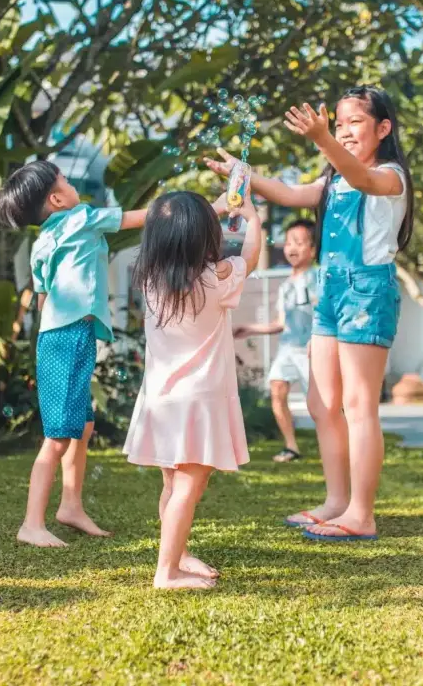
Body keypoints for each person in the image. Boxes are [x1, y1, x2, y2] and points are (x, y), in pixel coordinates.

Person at [205, 86, 413, 541]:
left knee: (358, 405)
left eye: (354, 123)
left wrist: (322, 139)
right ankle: (337, 502)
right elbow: (289, 192)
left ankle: (362, 513)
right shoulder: (333, 179)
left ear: (383, 128)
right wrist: (245, 177)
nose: (344, 131)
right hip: (331, 290)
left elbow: (362, 178)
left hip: (366, 292)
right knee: (321, 404)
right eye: (338, 124)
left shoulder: (390, 175)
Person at [0, 160, 148, 548]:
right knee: (58, 436)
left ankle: (71, 507)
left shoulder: (43, 240)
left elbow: (43, 295)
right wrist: (197, 209)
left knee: (84, 424)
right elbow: (135, 218)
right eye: (64, 180)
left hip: (59, 335)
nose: (71, 183)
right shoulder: (82, 217)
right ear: (58, 199)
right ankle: (31, 524)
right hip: (66, 337)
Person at [123, 191, 263, 589]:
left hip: (162, 402)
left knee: (173, 483)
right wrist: (251, 218)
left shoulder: (151, 279)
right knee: (189, 485)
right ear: (205, 236)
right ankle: (166, 572)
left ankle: (178, 554)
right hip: (198, 403)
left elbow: (168, 227)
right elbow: (250, 258)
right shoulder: (214, 280)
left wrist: (214, 207)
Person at [233, 219, 318, 462]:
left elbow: (325, 313)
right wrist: (249, 328)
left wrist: (318, 340)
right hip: (288, 348)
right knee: (277, 391)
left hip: (312, 349)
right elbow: (280, 323)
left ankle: (337, 441)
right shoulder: (285, 286)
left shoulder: (318, 277)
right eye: (289, 242)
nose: (292, 248)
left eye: (299, 243)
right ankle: (291, 447)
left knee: (322, 403)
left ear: (312, 250)